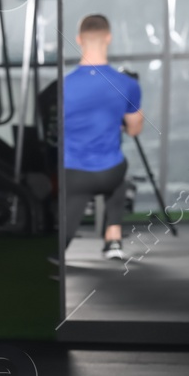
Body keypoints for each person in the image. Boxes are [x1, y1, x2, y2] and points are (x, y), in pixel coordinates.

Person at [60, 14, 142, 259]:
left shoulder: (64, 85)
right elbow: (135, 129)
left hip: (73, 176)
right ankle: (113, 240)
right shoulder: (127, 84)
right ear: (108, 38)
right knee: (119, 170)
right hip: (109, 174)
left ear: (78, 40)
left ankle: (58, 253)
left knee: (60, 243)